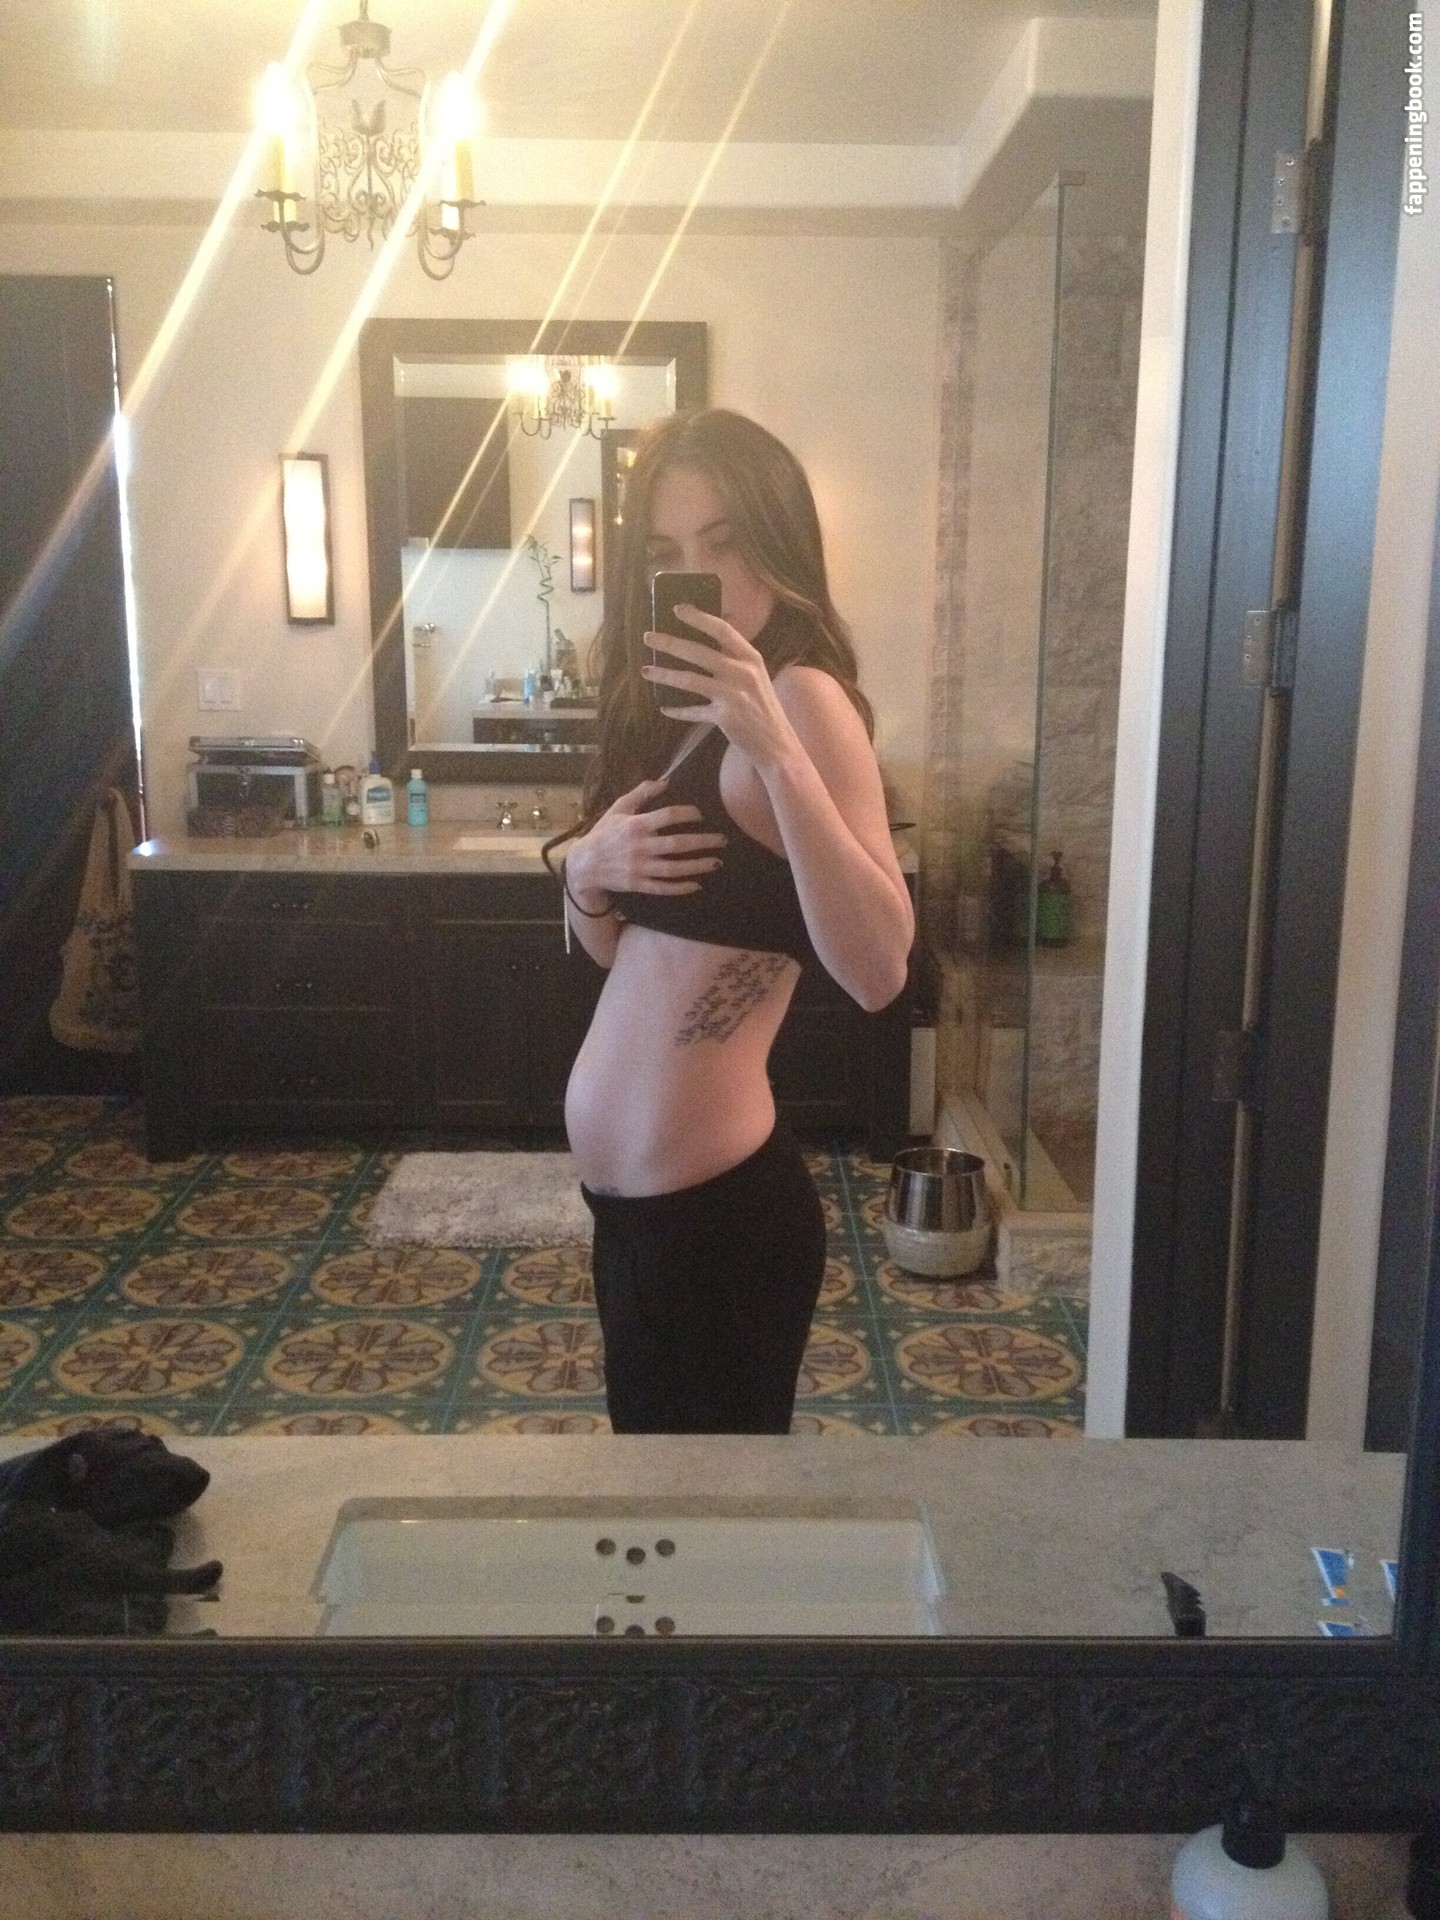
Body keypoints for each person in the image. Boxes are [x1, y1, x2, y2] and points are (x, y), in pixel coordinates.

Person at [543, 407, 913, 1434]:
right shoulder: (671, 715)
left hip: (716, 1226)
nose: (697, 574)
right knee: (672, 1503)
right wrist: (588, 875)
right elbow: (619, 956)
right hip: (639, 1221)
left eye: (725, 541)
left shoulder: (803, 697)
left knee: (698, 1514)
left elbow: (881, 969)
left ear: (778, 540)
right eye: (667, 554)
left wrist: (777, 749)